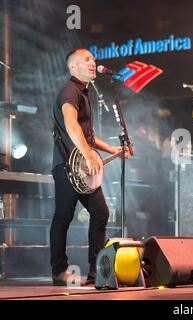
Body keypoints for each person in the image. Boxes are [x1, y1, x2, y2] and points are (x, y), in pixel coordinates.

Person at [51, 48, 129, 286]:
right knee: (63, 217)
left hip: (83, 169)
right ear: (73, 67)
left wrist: (113, 150)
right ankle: (59, 271)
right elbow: (71, 125)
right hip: (68, 166)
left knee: (100, 212)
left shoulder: (84, 94)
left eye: (93, 59)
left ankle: (98, 274)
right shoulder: (69, 91)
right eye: (87, 60)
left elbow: (88, 137)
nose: (93, 63)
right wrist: (87, 156)